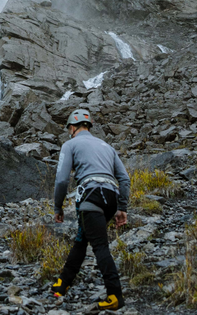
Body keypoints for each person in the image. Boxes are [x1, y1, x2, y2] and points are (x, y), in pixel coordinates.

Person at [50, 108, 130, 311]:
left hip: (91, 195)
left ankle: (115, 295)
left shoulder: (70, 144)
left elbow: (61, 180)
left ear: (73, 127)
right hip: (110, 197)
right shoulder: (107, 146)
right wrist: (122, 208)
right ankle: (63, 283)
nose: (69, 131)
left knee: (100, 246)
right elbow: (124, 179)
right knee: (82, 238)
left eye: (69, 127)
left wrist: (57, 207)